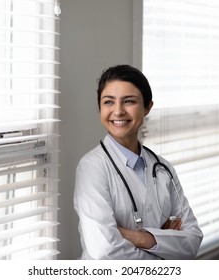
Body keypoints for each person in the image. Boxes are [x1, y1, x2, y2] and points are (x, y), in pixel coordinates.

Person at [73, 65, 203, 260]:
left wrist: (138, 237)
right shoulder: (92, 167)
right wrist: (164, 243)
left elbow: (192, 241)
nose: (118, 111)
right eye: (109, 102)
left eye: (129, 101)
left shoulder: (163, 169)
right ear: (100, 107)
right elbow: (105, 251)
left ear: (147, 107)